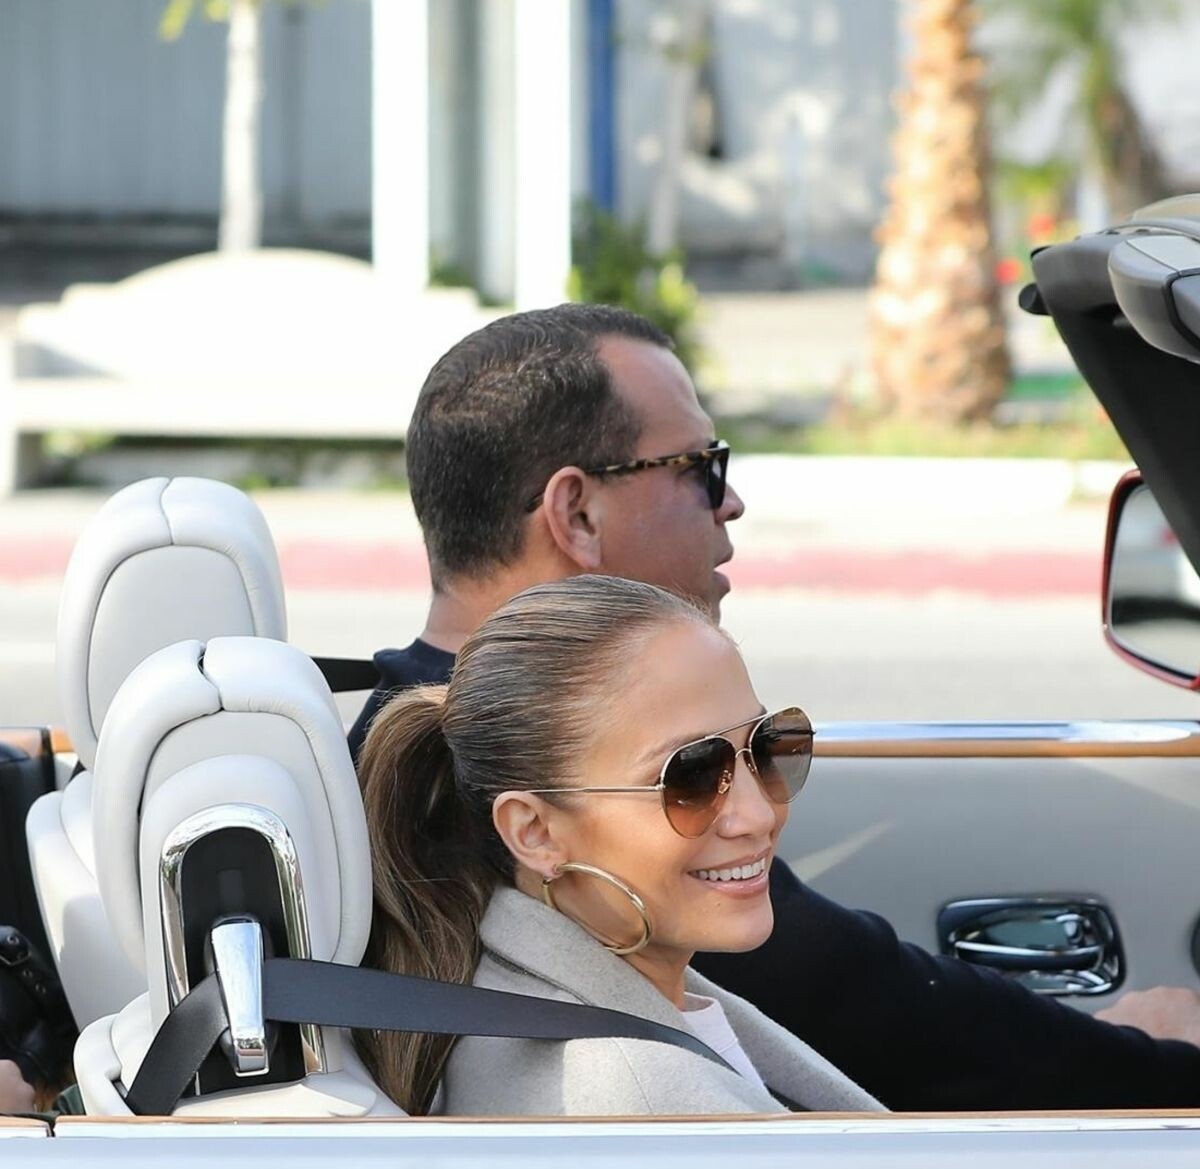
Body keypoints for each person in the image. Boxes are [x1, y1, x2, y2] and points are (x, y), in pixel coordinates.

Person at [350, 302, 1200, 1111]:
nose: (731, 501)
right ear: (576, 512)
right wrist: (1150, 1065)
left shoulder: (409, 768)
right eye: (698, 468)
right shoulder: (630, 1066)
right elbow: (880, 1010)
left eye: (769, 748)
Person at [357, 576, 880, 1117]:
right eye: (692, 775)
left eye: (764, 747)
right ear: (535, 832)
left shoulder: (543, 993)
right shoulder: (644, 1100)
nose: (758, 815)